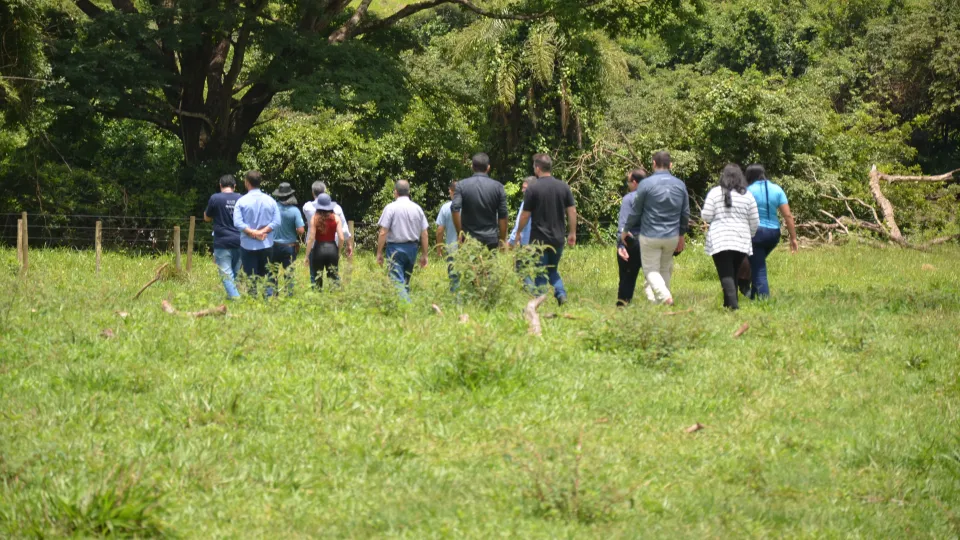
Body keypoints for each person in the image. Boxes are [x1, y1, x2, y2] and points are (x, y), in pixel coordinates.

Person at [621, 151, 690, 306]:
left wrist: (625, 231)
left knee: (651, 270)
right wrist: (681, 235)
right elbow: (685, 213)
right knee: (665, 268)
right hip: (672, 235)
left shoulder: (646, 184)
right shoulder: (680, 184)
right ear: (670, 165)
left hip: (650, 235)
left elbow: (636, 212)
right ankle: (661, 306)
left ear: (653, 164)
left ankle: (665, 297)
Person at [514, 154, 576, 306]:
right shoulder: (563, 186)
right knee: (553, 270)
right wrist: (572, 232)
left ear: (537, 168)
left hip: (539, 241)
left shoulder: (533, 188)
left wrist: (518, 232)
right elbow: (572, 211)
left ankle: (539, 303)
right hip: (558, 238)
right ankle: (561, 294)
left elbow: (525, 215)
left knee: (540, 273)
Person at [702, 164, 760, 310]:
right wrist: (750, 235)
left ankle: (733, 307)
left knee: (726, 273)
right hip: (741, 240)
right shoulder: (747, 195)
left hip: (720, 239)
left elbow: (706, 216)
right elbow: (755, 220)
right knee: (733, 272)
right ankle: (728, 305)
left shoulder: (715, 193)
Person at [746, 164, 798, 299]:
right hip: (773, 234)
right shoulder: (777, 189)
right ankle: (753, 296)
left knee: (759, 268)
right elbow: (787, 216)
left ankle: (764, 300)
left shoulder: (748, 190)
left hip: (755, 233)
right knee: (757, 264)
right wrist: (793, 238)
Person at [376, 180, 429, 302]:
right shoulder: (417, 209)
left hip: (395, 249)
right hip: (412, 249)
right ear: (409, 192)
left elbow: (383, 232)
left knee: (397, 281)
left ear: (395, 192)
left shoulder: (391, 208)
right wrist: (425, 254)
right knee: (405, 281)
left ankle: (407, 309)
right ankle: (402, 313)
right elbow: (425, 233)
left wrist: (379, 252)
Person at [233, 170, 282, 297]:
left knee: (250, 276)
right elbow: (277, 221)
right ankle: (269, 299)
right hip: (266, 244)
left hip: (247, 245)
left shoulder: (241, 201)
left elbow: (237, 223)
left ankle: (253, 300)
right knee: (268, 275)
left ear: (247, 182)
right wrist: (262, 231)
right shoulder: (271, 200)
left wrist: (253, 232)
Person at [452, 153, 508, 249]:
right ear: (488, 167)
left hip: (468, 239)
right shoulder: (498, 187)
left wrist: (459, 232)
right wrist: (502, 240)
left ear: (472, 167)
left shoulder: (461, 185)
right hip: (491, 239)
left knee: (468, 264)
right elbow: (503, 215)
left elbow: (454, 208)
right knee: (488, 264)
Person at [616, 169, 653, 306]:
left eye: (628, 181)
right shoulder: (654, 197)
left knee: (627, 279)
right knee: (654, 277)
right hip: (652, 241)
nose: (628, 184)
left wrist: (620, 245)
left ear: (635, 182)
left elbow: (623, 225)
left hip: (633, 242)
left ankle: (622, 307)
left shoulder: (629, 198)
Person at [203, 174, 243, 299]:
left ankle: (237, 300)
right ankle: (231, 298)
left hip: (222, 242)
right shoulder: (241, 198)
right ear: (234, 186)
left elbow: (207, 218)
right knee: (235, 274)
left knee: (226, 274)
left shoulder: (215, 198)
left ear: (220, 185)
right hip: (240, 241)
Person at [304, 194, 344, 290]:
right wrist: (338, 252)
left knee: (317, 278)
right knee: (333, 278)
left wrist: (306, 255)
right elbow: (341, 238)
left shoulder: (314, 218)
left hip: (318, 249)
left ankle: (317, 301)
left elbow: (311, 238)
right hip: (332, 249)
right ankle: (334, 301)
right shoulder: (336, 218)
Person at [270, 183, 304, 294]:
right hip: (289, 247)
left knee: (272, 273)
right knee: (289, 274)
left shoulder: (273, 207)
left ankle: (273, 295)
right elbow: (301, 230)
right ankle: (289, 296)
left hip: (273, 245)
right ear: (290, 195)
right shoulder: (295, 211)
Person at [303, 181, 353, 258]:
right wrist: (349, 244)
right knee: (332, 270)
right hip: (332, 246)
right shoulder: (337, 208)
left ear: (313, 193)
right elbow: (344, 230)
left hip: (314, 245)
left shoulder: (307, 207)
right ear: (325, 192)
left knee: (314, 270)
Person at [435, 180, 459, 292]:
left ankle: (455, 302)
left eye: (449, 190)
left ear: (452, 191)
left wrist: (439, 249)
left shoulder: (446, 207)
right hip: (469, 248)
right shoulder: (470, 206)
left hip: (452, 249)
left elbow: (440, 230)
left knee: (454, 278)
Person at [508, 176, 535, 248]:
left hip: (524, 244)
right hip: (537, 244)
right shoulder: (542, 202)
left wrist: (512, 240)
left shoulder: (526, 203)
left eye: (525, 188)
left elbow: (520, 221)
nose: (522, 190)